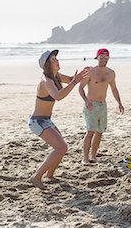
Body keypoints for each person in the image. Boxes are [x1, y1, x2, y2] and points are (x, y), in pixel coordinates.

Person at [28, 49, 90, 189]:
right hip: (37, 121)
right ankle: (36, 177)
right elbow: (58, 96)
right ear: (47, 65)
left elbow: (70, 80)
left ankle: (50, 176)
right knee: (61, 147)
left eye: (56, 58)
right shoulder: (46, 81)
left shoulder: (56, 76)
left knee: (61, 148)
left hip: (46, 120)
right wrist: (74, 81)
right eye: (53, 60)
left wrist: (84, 74)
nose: (57, 61)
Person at [78, 48, 124, 164]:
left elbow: (114, 88)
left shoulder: (111, 73)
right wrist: (86, 101)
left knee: (99, 131)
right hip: (91, 105)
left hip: (103, 105)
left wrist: (119, 103)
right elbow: (80, 88)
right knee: (90, 131)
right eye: (101, 57)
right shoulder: (91, 72)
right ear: (97, 57)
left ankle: (93, 156)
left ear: (108, 58)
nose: (103, 59)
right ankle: (85, 158)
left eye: (105, 57)